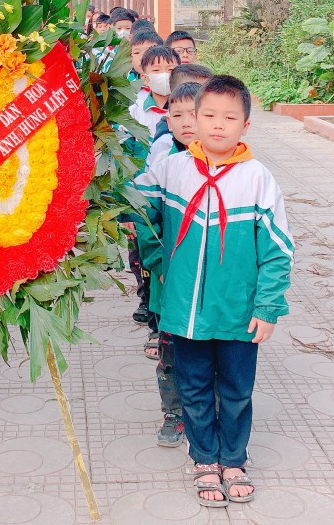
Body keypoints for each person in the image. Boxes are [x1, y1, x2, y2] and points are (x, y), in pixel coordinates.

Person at [134, 75, 294, 507]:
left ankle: (234, 458)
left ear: (246, 125)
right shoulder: (171, 168)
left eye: (229, 117)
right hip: (185, 310)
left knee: (238, 389)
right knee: (194, 386)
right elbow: (138, 211)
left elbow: (279, 250)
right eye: (208, 115)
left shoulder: (258, 179)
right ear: (193, 122)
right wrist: (156, 263)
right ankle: (204, 457)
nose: (217, 125)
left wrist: (268, 306)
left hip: (238, 311)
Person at [143, 80, 203, 447]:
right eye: (176, 114)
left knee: (206, 354)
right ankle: (174, 412)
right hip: (170, 281)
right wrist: (157, 262)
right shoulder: (165, 163)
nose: (184, 122)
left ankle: (204, 412)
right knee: (170, 354)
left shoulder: (232, 166)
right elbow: (147, 219)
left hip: (210, 284)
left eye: (193, 114)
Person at [131, 44, 180, 135]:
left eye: (170, 69)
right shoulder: (135, 111)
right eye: (156, 70)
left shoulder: (189, 109)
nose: (164, 75)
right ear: (144, 78)